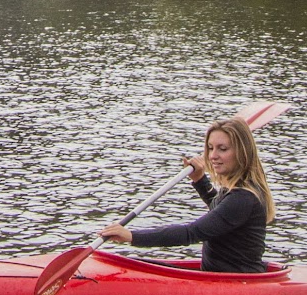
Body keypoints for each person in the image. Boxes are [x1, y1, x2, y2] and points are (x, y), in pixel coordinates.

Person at [98, 116, 273, 273]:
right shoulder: (237, 191)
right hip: (216, 275)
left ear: (241, 153)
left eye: (222, 149)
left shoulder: (243, 198)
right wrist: (199, 181)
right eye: (210, 148)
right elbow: (219, 211)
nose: (213, 156)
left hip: (236, 281)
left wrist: (132, 236)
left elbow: (191, 232)